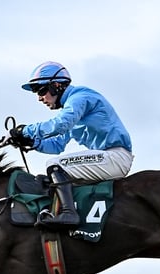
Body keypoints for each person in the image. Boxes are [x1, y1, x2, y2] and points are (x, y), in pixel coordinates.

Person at [9, 61, 133, 229]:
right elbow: (57, 145)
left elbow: (60, 125)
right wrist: (31, 142)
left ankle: (69, 214)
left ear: (57, 85)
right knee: (50, 179)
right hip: (108, 158)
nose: (40, 98)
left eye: (41, 90)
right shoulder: (71, 109)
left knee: (54, 165)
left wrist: (26, 131)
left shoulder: (79, 98)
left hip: (115, 157)